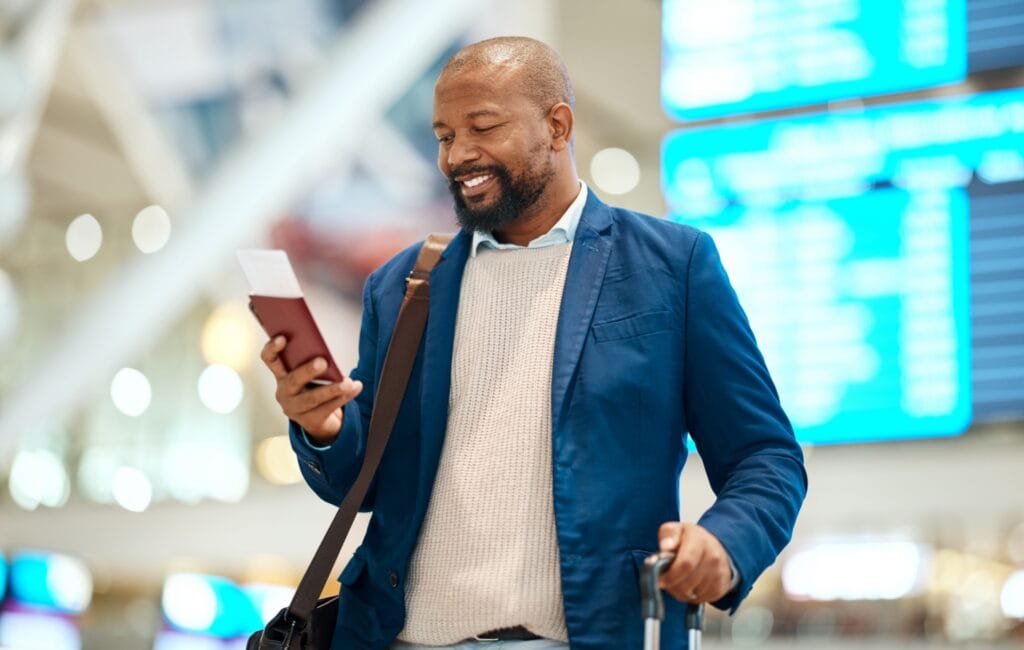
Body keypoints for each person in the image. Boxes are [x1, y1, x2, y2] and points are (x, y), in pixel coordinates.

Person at [260, 36, 807, 650]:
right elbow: (358, 484)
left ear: (557, 126)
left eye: (483, 127)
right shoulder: (402, 286)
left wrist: (725, 545)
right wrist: (325, 428)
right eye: (444, 136)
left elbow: (766, 456)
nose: (458, 155)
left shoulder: (670, 267)